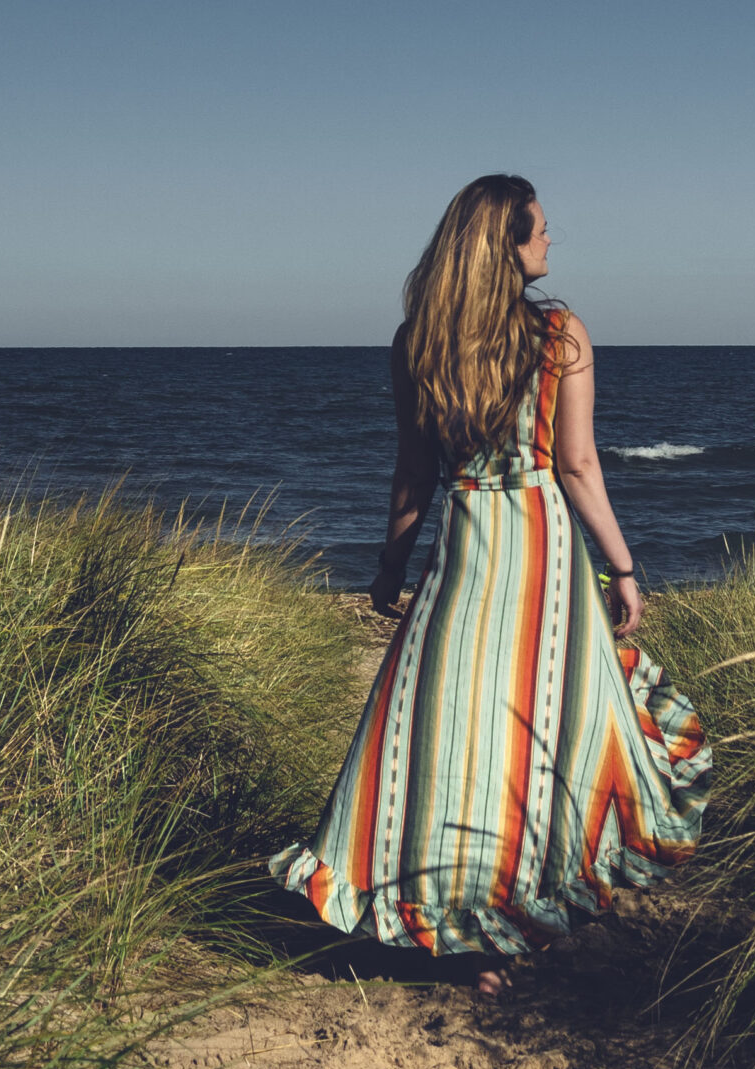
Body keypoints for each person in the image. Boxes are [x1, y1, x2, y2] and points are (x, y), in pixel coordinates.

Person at [269, 175, 711, 997]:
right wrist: (622, 565)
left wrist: (390, 567)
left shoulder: (419, 342)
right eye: (540, 230)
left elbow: (412, 476)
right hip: (542, 550)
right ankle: (510, 917)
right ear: (506, 244)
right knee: (541, 732)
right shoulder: (560, 335)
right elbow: (577, 467)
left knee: (446, 732)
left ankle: (454, 922)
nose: (550, 243)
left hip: (467, 544)